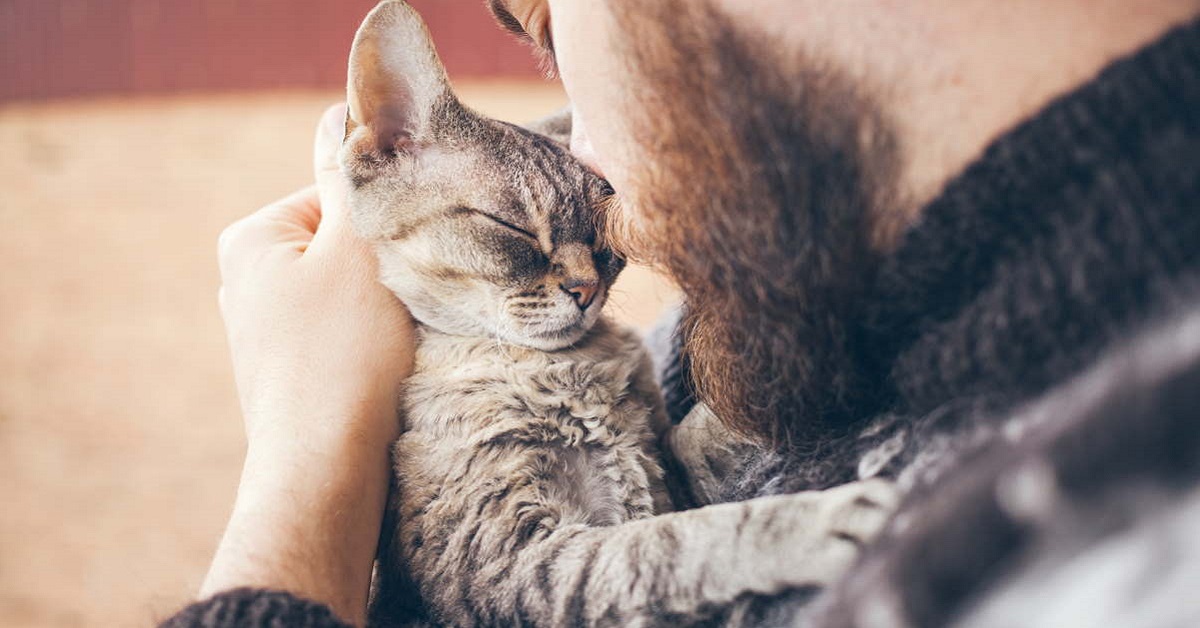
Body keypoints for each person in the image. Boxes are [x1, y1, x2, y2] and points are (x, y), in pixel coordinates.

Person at [163, 0, 1200, 626]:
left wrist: (299, 480)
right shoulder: (792, 313)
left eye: (538, 11)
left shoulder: (1129, 543)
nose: (555, 62)